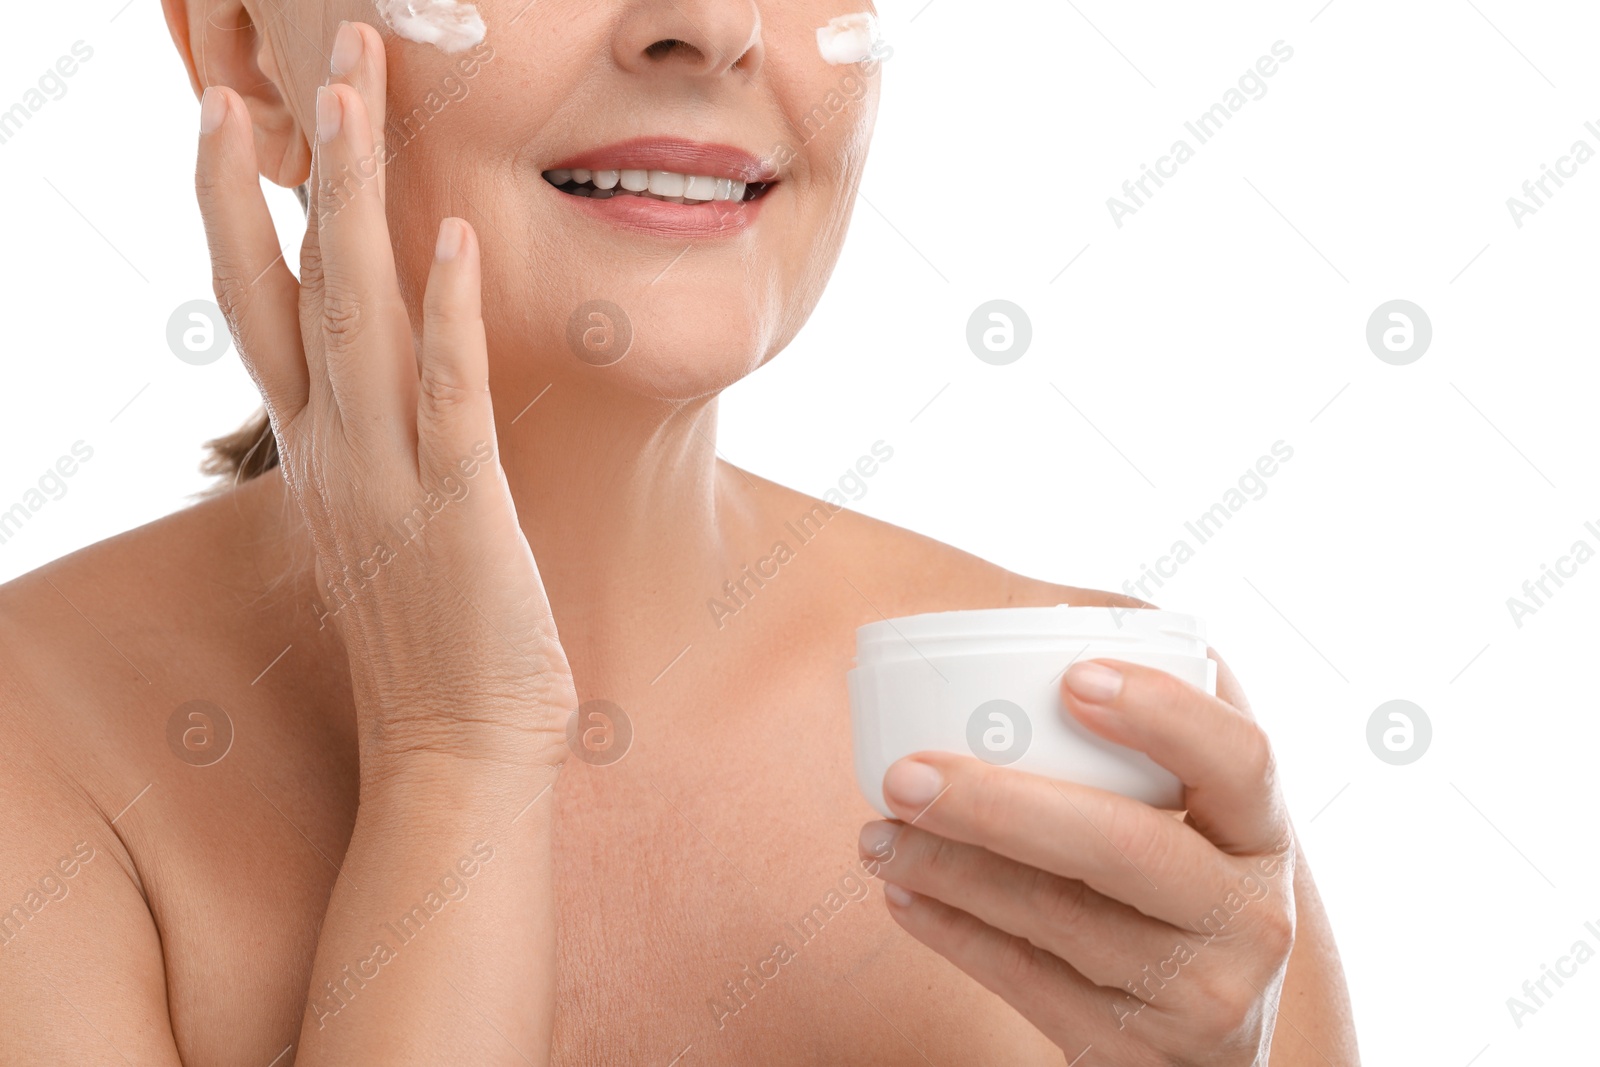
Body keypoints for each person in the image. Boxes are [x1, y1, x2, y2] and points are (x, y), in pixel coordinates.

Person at [0, 3, 1359, 1062]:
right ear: (248, 51)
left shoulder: (1098, 730)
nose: (707, 20)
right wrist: (457, 755)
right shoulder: (38, 762)